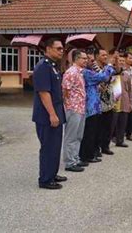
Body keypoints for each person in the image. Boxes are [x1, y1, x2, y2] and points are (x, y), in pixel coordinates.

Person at [32, 37, 67, 190]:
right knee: (48, 147)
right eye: (58, 48)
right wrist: (52, 114)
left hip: (56, 111)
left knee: (55, 145)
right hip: (47, 115)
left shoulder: (53, 66)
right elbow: (44, 93)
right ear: (48, 49)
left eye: (62, 48)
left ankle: (52, 173)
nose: (62, 51)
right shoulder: (43, 67)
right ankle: (45, 179)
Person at [80, 53, 116, 163]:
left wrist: (99, 87)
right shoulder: (86, 72)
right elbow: (104, 77)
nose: (90, 62)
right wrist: (110, 64)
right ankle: (87, 155)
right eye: (87, 59)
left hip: (95, 105)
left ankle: (91, 153)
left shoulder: (89, 71)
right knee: (89, 133)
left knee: (94, 132)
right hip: (90, 107)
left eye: (90, 60)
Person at [62, 50, 89, 172]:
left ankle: (75, 158)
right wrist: (70, 105)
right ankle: (69, 162)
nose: (86, 60)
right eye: (84, 58)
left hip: (81, 107)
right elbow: (65, 91)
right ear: (77, 59)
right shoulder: (71, 72)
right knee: (71, 136)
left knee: (78, 136)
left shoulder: (80, 72)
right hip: (73, 108)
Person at [92, 48, 117, 155]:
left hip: (108, 100)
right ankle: (96, 148)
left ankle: (105, 146)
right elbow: (102, 78)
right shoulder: (93, 67)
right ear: (97, 56)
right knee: (98, 127)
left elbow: (115, 72)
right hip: (98, 101)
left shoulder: (107, 67)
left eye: (106, 55)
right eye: (103, 55)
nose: (105, 57)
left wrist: (115, 60)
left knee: (108, 125)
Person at [111, 54, 132, 147]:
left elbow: (130, 90)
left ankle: (120, 140)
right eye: (119, 60)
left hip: (124, 101)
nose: (121, 62)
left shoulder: (126, 75)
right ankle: (108, 141)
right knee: (112, 123)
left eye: (123, 61)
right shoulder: (112, 72)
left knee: (122, 122)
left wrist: (130, 102)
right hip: (114, 102)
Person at [123, 52, 132, 141]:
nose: (131, 60)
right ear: (125, 58)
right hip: (123, 93)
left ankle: (129, 133)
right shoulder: (122, 68)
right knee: (123, 114)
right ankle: (119, 134)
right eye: (130, 58)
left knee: (131, 113)